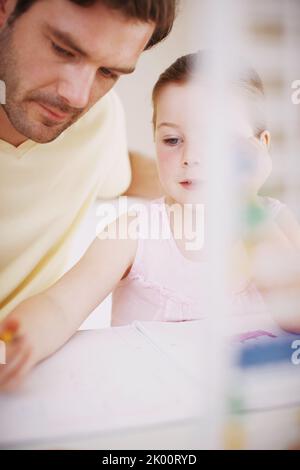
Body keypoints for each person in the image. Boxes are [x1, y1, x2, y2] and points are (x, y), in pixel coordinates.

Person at [1, 50, 300, 390]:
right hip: (146, 405)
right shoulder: (133, 232)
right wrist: (24, 335)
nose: (191, 158)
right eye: (172, 140)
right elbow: (61, 305)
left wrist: (246, 204)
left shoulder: (274, 222)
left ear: (259, 149)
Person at [0, 0, 177, 320]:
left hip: (26, 353)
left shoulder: (99, 119)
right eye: (63, 50)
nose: (77, 96)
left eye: (108, 72)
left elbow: (126, 173)